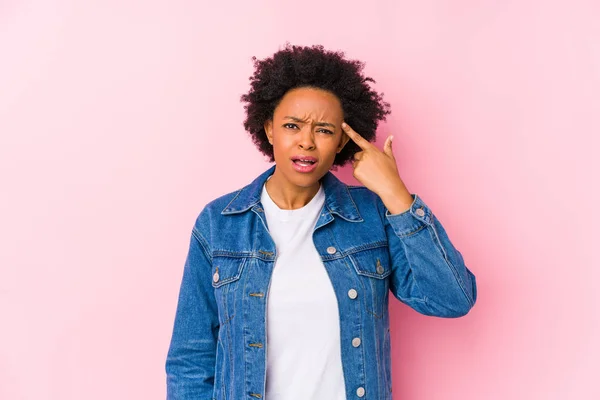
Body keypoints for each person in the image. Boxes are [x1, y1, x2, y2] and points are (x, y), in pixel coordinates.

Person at [165, 44, 477, 400]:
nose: (307, 142)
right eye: (292, 125)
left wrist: (397, 196)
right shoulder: (219, 224)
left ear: (342, 139)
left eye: (325, 130)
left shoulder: (371, 215)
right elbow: (191, 358)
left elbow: (453, 299)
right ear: (269, 129)